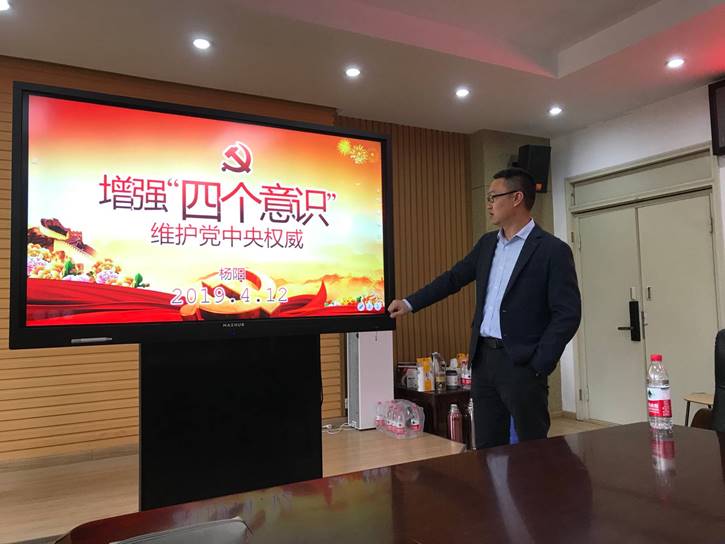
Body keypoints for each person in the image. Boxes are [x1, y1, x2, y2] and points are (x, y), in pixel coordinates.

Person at [388, 168, 581, 448]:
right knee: (488, 446)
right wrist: (409, 303)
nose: (488, 204)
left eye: (493, 197)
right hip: (484, 361)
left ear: (517, 198)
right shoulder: (488, 244)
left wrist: (540, 363)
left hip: (523, 363)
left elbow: (568, 313)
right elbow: (453, 279)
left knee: (533, 449)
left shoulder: (552, 250)